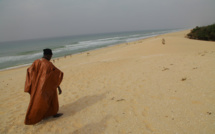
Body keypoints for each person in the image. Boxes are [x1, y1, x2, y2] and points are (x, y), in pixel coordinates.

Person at [24, 48, 64, 125]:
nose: (51, 57)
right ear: (48, 55)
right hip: (47, 87)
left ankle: (44, 115)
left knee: (39, 101)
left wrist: (33, 83)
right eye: (51, 56)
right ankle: (53, 113)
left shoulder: (36, 62)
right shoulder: (48, 64)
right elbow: (56, 76)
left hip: (38, 87)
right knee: (52, 100)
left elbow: (29, 71)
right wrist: (58, 87)